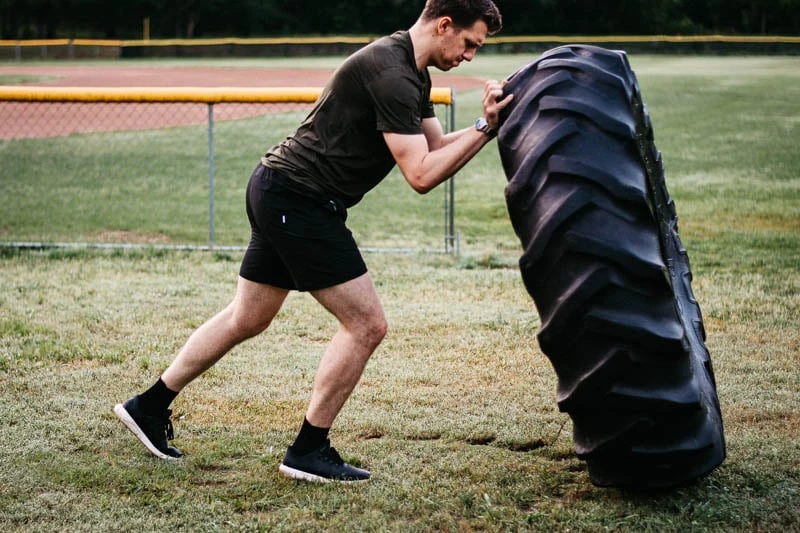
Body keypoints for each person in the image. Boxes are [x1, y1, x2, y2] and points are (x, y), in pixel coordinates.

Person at [114, 0, 513, 483]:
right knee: (366, 325)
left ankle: (148, 406)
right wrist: (485, 127)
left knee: (248, 316)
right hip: (298, 199)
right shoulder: (392, 73)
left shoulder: (412, 71)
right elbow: (422, 175)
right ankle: (308, 449)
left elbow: (435, 148)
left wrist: (484, 124)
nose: (470, 55)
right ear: (444, 25)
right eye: (469, 43)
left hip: (278, 187)